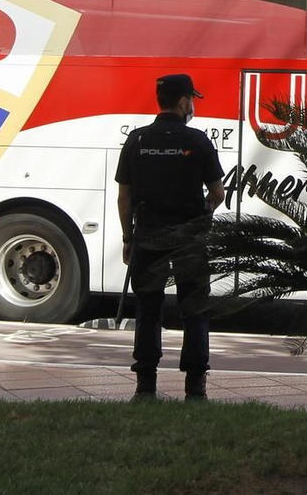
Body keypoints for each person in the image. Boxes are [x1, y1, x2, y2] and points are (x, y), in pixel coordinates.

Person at [115, 73, 224, 400]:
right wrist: (203, 212)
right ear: (182, 102)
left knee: (148, 308)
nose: (192, 105)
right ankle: (195, 388)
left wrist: (127, 238)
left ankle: (146, 386)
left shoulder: (136, 141)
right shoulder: (198, 141)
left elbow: (124, 198)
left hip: (148, 235)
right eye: (191, 99)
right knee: (195, 308)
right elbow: (217, 193)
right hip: (190, 237)